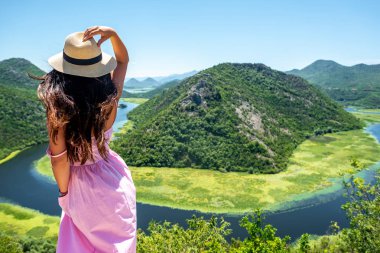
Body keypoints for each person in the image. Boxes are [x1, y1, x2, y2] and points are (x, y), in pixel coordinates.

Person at [32, 26, 136, 252]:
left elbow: (59, 159)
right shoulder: (110, 99)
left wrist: (64, 193)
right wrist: (115, 36)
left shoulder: (57, 112)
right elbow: (123, 61)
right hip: (113, 178)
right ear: (98, 69)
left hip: (79, 186)